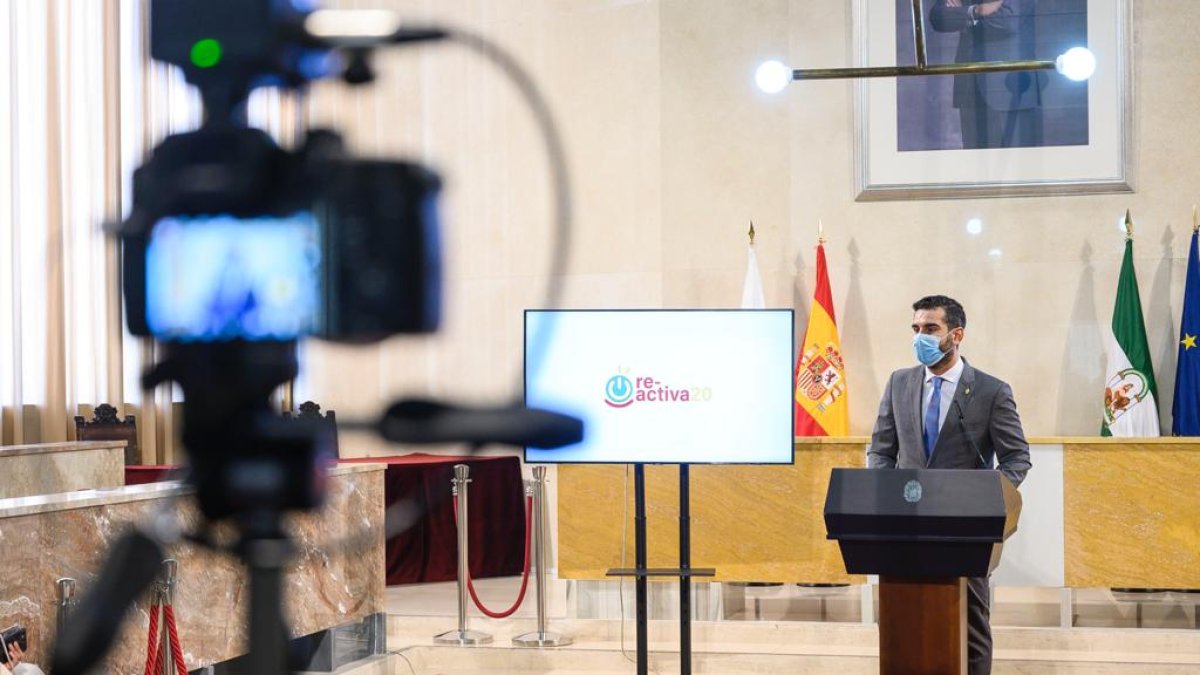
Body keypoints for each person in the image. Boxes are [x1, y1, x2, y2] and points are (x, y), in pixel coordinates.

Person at [868, 294, 1031, 675]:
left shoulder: (992, 391)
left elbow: (1017, 457)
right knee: (904, 619)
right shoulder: (899, 383)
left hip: (965, 532)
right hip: (905, 528)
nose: (920, 337)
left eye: (930, 329)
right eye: (916, 329)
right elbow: (881, 449)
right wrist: (885, 491)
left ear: (956, 335)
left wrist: (987, 501)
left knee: (971, 624)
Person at [930, 0, 1047, 149]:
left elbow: (1007, 20)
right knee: (975, 166)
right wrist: (975, 11)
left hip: (1010, 88)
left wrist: (963, 16)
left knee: (1017, 166)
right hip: (969, 86)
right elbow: (937, 17)